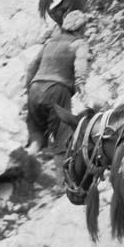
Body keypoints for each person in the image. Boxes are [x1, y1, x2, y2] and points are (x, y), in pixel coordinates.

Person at [25, 11, 90, 170]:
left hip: (35, 88)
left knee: (37, 133)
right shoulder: (79, 43)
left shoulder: (49, 43)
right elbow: (81, 63)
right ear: (80, 28)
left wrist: (28, 90)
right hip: (57, 90)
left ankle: (25, 164)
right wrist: (81, 84)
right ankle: (61, 184)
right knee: (63, 135)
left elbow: (32, 66)